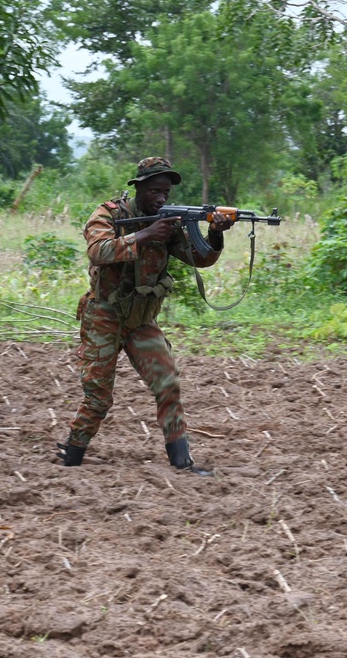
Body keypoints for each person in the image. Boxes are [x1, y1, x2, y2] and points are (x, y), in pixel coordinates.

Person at [58, 157, 236, 473]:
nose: (161, 198)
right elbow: (97, 252)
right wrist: (145, 235)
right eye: (154, 190)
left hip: (141, 320)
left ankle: (182, 463)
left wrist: (216, 232)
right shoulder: (110, 214)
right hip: (104, 315)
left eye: (165, 192)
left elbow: (201, 258)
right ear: (138, 188)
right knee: (98, 398)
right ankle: (72, 456)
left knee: (168, 384)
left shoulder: (167, 222)